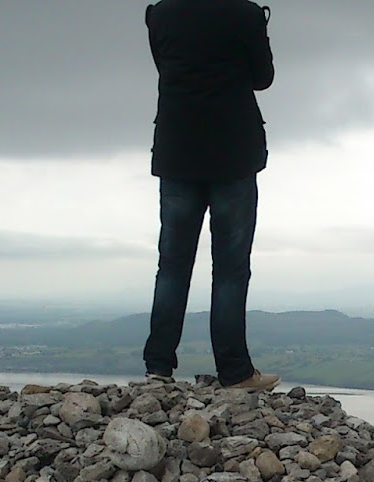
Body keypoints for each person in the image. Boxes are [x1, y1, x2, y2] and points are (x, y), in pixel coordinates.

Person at [142, 0, 281, 391]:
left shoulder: (161, 14)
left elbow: (166, 67)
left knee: (172, 265)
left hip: (177, 150)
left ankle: (158, 368)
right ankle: (235, 372)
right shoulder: (245, 14)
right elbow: (263, 78)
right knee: (231, 269)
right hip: (233, 153)